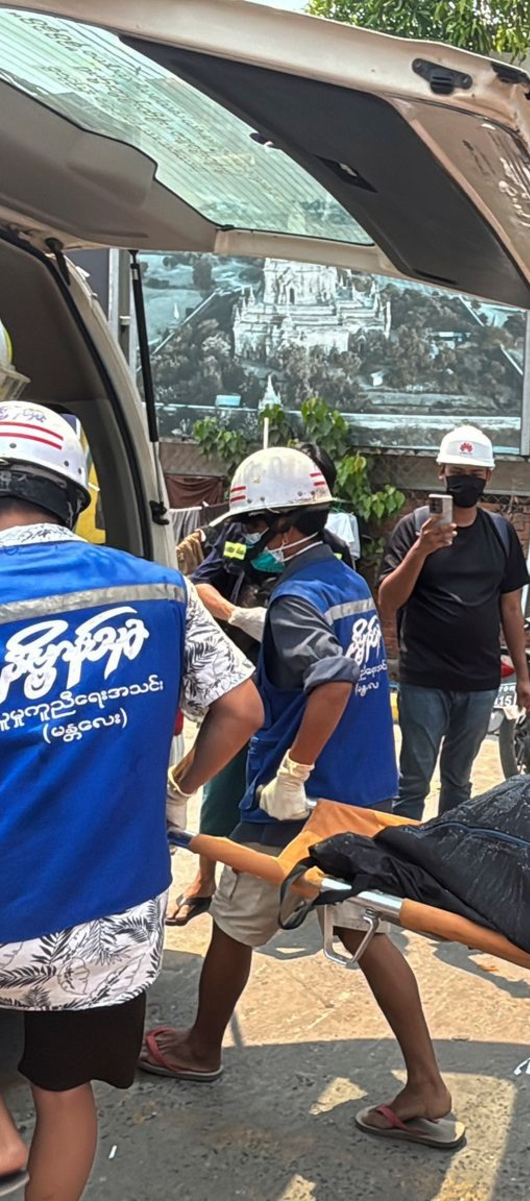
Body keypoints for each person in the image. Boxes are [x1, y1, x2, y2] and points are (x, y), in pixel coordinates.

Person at [140, 447, 465, 1149]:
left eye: (250, 526)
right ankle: (426, 1081)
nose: (241, 542)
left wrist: (291, 773)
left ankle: (200, 1045)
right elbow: (314, 640)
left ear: (280, 527)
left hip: (302, 804)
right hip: (363, 793)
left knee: (234, 915)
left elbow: (333, 676)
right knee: (362, 924)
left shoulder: (292, 597)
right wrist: (231, 608)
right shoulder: (340, 578)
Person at [0, 399, 262, 1201]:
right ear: (73, 494)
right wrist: (177, 789)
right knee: (63, 1094)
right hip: (103, 917)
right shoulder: (162, 590)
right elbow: (242, 709)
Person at [166, 442, 351, 926]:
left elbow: (334, 657)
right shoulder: (236, 530)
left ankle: (285, 883)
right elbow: (199, 585)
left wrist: (280, 622)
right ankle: (206, 878)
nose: (255, 532)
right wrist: (233, 613)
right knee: (221, 786)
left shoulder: (332, 556)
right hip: (234, 679)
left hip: (291, 690)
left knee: (282, 788)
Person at [377, 425, 530, 820]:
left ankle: (445, 861)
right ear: (440, 472)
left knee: (459, 781)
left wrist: (524, 675)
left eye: (475, 472)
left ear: (488, 477)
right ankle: (400, 863)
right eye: (456, 470)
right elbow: (389, 600)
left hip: (480, 681)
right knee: (412, 781)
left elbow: (511, 609)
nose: (465, 479)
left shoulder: (499, 532)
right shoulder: (413, 528)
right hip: (424, 678)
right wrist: (421, 550)